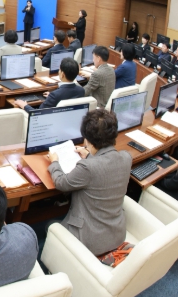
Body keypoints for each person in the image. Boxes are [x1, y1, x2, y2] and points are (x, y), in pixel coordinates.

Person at [46, 109, 131, 255]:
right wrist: (90, 155)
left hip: (90, 241)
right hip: (116, 234)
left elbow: (61, 182)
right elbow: (104, 167)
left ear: (88, 141)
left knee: (49, 225)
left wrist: (54, 162)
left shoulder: (87, 167)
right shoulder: (126, 157)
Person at [15, 58, 84, 111]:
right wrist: (51, 98)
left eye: (59, 70)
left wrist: (24, 105)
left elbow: (38, 113)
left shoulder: (55, 95)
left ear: (62, 74)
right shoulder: (81, 90)